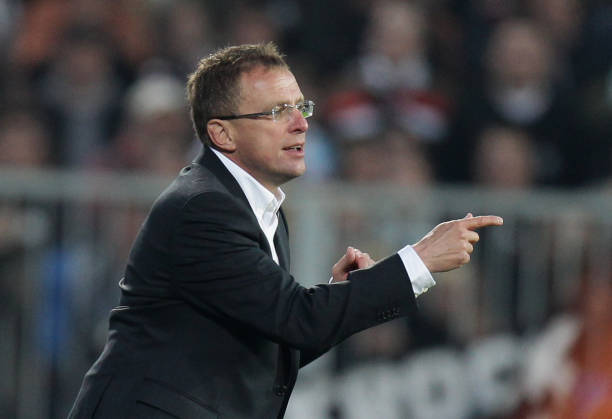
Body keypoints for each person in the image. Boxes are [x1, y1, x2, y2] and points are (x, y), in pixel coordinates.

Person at [68, 43, 503, 419]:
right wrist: (419, 260)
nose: (301, 124)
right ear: (222, 133)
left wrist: (340, 292)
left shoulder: (255, 208)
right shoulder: (203, 208)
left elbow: (273, 340)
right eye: (278, 111)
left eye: (302, 107)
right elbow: (297, 320)